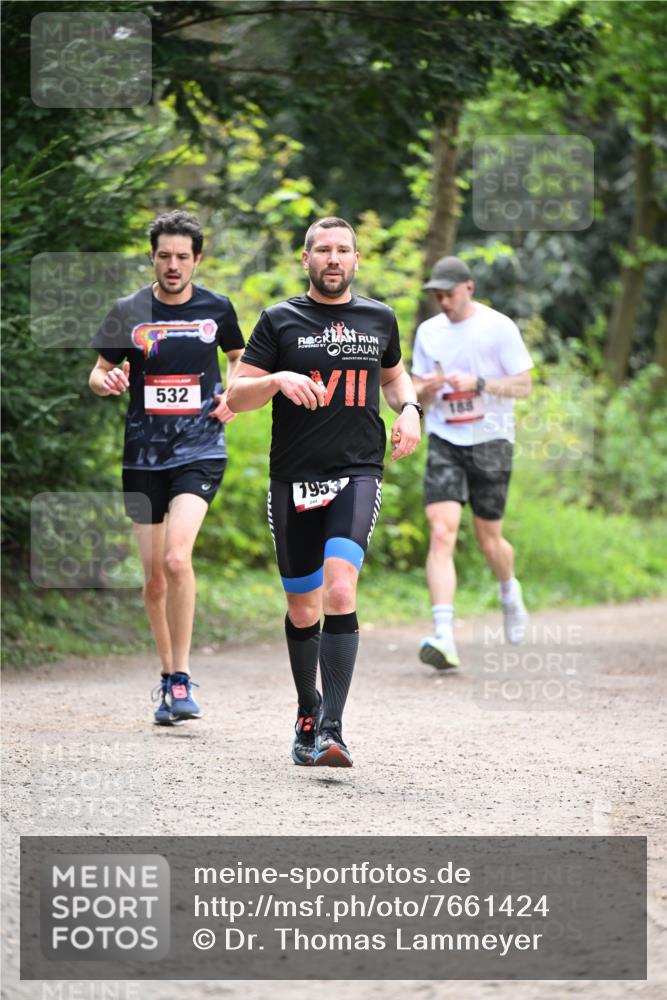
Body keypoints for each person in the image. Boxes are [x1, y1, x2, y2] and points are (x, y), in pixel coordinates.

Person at [226, 216, 421, 767]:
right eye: (323, 250)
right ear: (305, 258)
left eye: (343, 250)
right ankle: (307, 709)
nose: (333, 259)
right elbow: (237, 397)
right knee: (302, 605)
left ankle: (331, 729)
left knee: (340, 590)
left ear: (356, 260)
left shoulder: (379, 317)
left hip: (358, 471)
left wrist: (409, 409)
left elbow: (392, 376)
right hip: (292, 478)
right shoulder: (279, 320)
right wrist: (275, 380)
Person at [89, 210, 244, 724]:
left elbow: (242, 357)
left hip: (200, 450)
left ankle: (182, 678)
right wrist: (106, 383)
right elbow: (99, 371)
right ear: (152, 257)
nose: (173, 265)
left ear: (197, 258)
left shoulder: (217, 308)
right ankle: (166, 674)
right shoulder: (128, 310)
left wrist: (233, 394)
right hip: (143, 456)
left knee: (178, 559)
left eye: (182, 256)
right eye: (164, 256)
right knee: (154, 578)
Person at [412, 256, 533, 671]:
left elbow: (525, 384)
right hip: (446, 438)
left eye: (449, 294)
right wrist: (427, 388)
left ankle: (508, 591)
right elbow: (413, 390)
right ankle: (444, 635)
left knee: (488, 539)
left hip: (491, 440)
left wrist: (479, 383)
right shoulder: (428, 332)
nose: (443, 302)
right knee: (442, 532)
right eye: (437, 295)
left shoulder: (498, 327)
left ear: (469, 287)